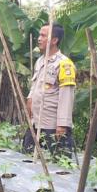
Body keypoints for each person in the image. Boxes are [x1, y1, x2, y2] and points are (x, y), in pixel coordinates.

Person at [22, 23, 77, 157]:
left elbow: (66, 97)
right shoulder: (40, 61)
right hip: (36, 123)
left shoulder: (64, 64)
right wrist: (29, 99)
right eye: (39, 35)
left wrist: (62, 125)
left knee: (59, 164)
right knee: (28, 158)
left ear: (54, 40)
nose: (39, 38)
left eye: (43, 35)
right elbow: (35, 86)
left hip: (52, 126)